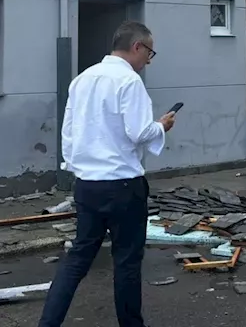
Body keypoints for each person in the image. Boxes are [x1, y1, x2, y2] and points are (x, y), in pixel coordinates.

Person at [37, 21, 176, 327]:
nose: (148, 61)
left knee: (77, 260)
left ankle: (47, 324)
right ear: (137, 47)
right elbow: (140, 132)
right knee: (126, 263)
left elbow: (69, 134)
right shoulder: (129, 82)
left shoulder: (82, 79)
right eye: (149, 53)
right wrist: (161, 126)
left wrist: (75, 170)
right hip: (124, 185)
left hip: (87, 185)